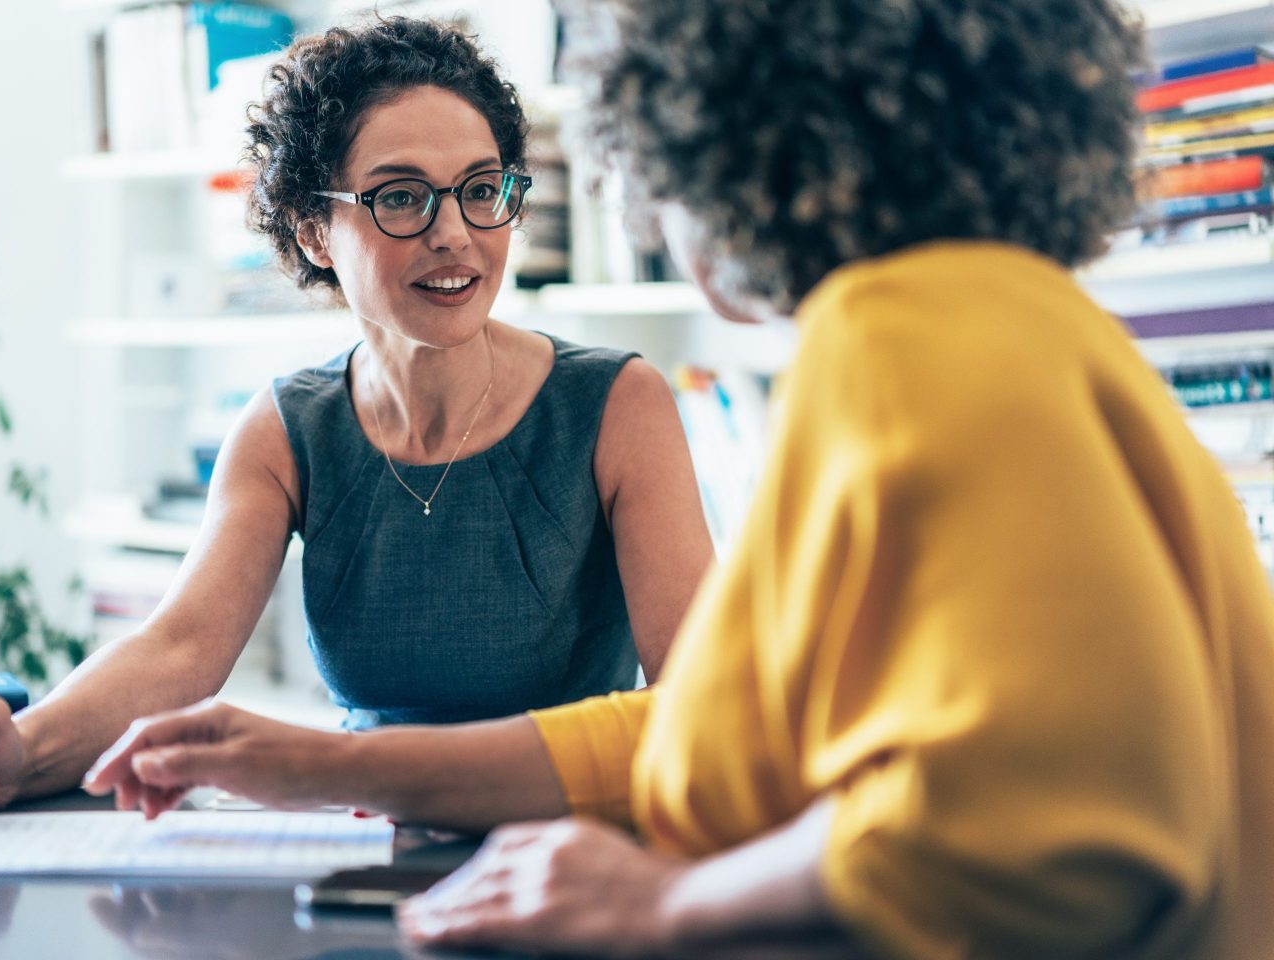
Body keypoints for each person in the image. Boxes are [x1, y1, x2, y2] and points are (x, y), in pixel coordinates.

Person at [82, 0, 1273, 956]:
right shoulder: (997, 324)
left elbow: (1052, 837)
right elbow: (727, 742)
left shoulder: (910, 340)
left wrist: (668, 907)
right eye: (403, 198)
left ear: (735, 134)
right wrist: (321, 764)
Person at [0, 18, 713, 822]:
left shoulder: (617, 407)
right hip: (357, 839)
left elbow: (701, 707)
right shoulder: (288, 428)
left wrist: (342, 766)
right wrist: (17, 748)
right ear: (315, 229)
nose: (455, 232)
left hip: (561, 844)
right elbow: (179, 648)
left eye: (482, 190)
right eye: (400, 197)